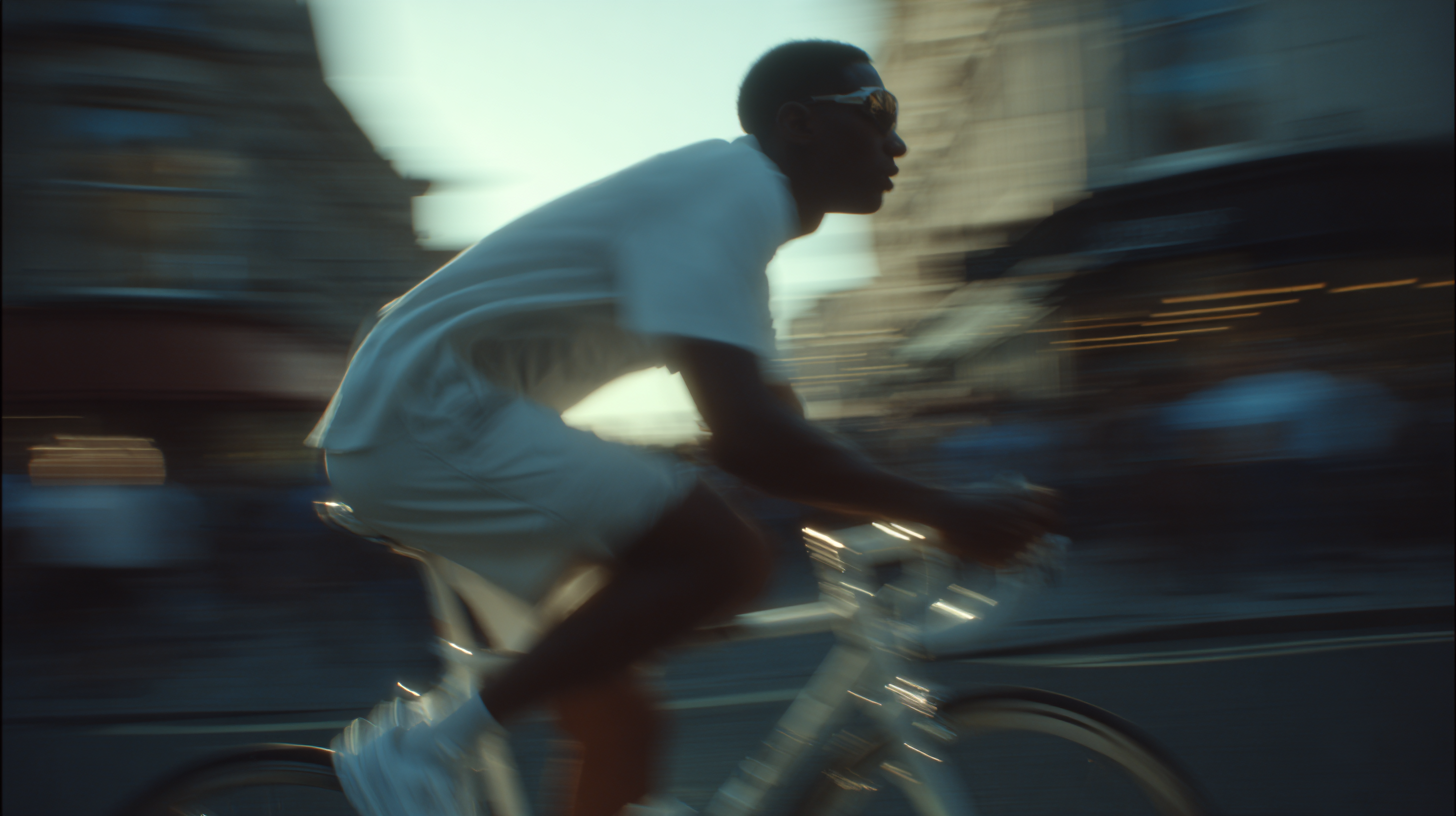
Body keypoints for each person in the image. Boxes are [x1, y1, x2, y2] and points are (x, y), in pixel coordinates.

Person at [310, 40, 1060, 816]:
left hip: (419, 426)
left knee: (620, 727)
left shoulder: (732, 213)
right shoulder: (732, 190)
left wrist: (909, 522)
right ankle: (422, 748)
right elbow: (751, 444)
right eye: (877, 111)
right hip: (427, 418)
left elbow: (783, 429)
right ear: (799, 124)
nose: (896, 141)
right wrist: (946, 511)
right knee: (723, 554)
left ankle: (438, 744)